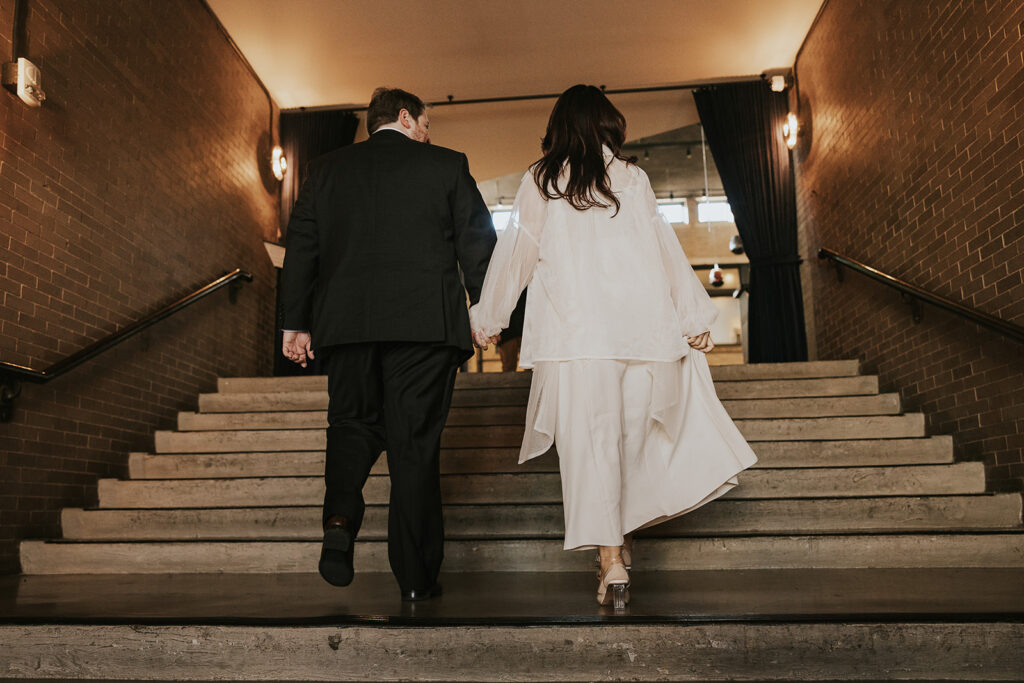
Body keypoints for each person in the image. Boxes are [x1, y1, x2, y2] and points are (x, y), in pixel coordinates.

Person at [469, 84, 758, 608]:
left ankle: (612, 560)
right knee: (629, 440)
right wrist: (692, 315)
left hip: (577, 341)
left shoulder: (541, 182)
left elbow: (516, 256)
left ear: (559, 128)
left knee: (592, 449)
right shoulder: (633, 177)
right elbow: (664, 249)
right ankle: (619, 548)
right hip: (641, 334)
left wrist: (488, 318)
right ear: (607, 125)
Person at [280, 87, 496, 601]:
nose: (429, 134)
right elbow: (478, 243)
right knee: (413, 446)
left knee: (352, 425)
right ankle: (416, 579)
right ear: (405, 117)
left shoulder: (325, 170)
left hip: (347, 327)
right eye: (426, 123)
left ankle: (338, 522)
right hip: (425, 329)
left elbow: (302, 249)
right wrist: (486, 312)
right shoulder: (447, 166)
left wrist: (296, 324)